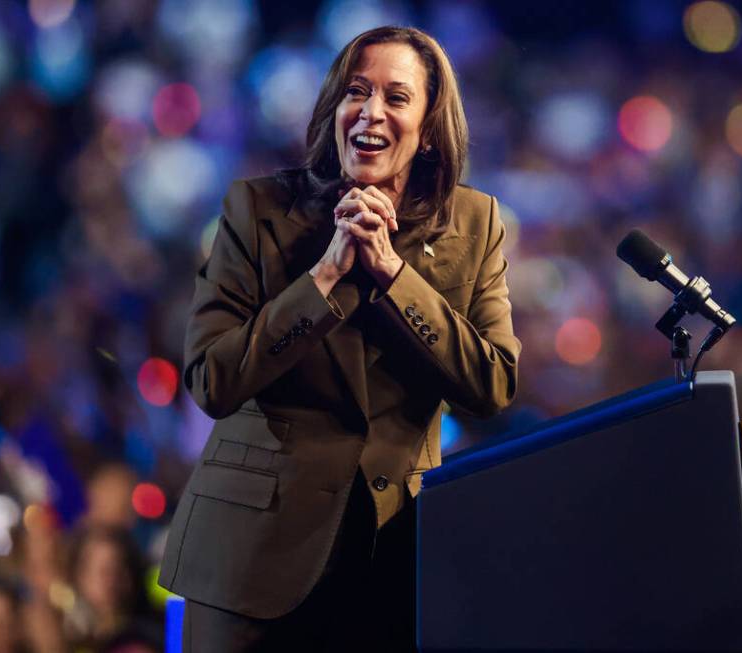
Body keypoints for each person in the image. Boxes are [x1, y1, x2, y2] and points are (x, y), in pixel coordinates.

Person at [158, 25, 520, 652]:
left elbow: (492, 385)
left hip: (391, 562)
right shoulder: (258, 210)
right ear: (334, 109)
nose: (371, 112)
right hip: (250, 559)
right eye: (357, 91)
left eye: (396, 97)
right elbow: (211, 380)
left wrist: (394, 276)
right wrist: (325, 276)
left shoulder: (474, 224)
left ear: (430, 126)